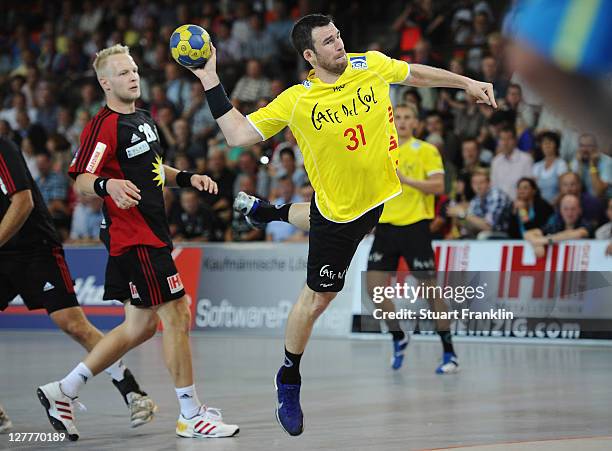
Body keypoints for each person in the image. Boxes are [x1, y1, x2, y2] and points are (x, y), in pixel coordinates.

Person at [189, 14, 496, 436]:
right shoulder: (296, 100)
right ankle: (289, 377)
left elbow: (416, 74)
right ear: (310, 56)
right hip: (337, 215)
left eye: (338, 36)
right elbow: (238, 135)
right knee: (317, 301)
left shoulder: (368, 64)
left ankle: (269, 212)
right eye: (329, 42)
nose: (340, 45)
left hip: (379, 200)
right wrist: (209, 78)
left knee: (311, 218)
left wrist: (466, 82)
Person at [37, 44, 238, 441]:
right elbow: (80, 179)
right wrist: (107, 184)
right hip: (135, 237)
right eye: (123, 72)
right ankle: (190, 414)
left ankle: (64, 390)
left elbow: (151, 168)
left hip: (152, 232)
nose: (133, 76)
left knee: (140, 327)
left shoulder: (144, 120)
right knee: (177, 314)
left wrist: (185, 178)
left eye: (134, 70)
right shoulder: (103, 125)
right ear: (105, 82)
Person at [0, 137, 156, 433]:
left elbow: (23, 202)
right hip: (2, 252)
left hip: (35, 248)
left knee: (73, 324)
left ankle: (133, 393)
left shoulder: (2, 149)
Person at [364, 103, 457, 373]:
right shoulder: (382, 150)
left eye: (408, 118)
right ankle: (398, 336)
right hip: (385, 228)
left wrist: (405, 180)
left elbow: (440, 186)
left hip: (415, 227)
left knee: (431, 293)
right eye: (399, 117)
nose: (402, 122)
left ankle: (450, 353)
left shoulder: (426, 150)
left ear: (416, 123)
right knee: (374, 291)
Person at [447, 169, 512, 239]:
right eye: (474, 183)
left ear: (489, 183)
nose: (478, 186)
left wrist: (463, 214)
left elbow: (488, 226)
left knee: (482, 236)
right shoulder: (476, 200)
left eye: (481, 182)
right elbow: (474, 223)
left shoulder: (496, 195)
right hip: (485, 233)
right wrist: (459, 220)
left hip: (504, 236)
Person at [525, 194, 592, 258]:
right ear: (560, 210)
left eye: (573, 209)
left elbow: (577, 234)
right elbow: (528, 234)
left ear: (579, 210)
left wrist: (545, 241)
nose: (569, 213)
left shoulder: (585, 223)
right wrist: (537, 245)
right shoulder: (556, 224)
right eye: (565, 209)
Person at [490, 126, 533, 200]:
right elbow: (494, 187)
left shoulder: (526, 159)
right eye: (502, 139)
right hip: (499, 205)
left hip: (519, 204)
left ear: (515, 140)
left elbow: (529, 187)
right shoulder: (496, 161)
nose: (505, 143)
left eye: (508, 139)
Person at [532, 131, 567, 204]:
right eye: (544, 143)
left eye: (550, 142)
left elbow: (564, 189)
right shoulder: (536, 166)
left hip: (556, 206)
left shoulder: (561, 164)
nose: (547, 145)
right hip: (539, 207)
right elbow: (533, 189)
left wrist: (552, 204)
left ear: (556, 145)